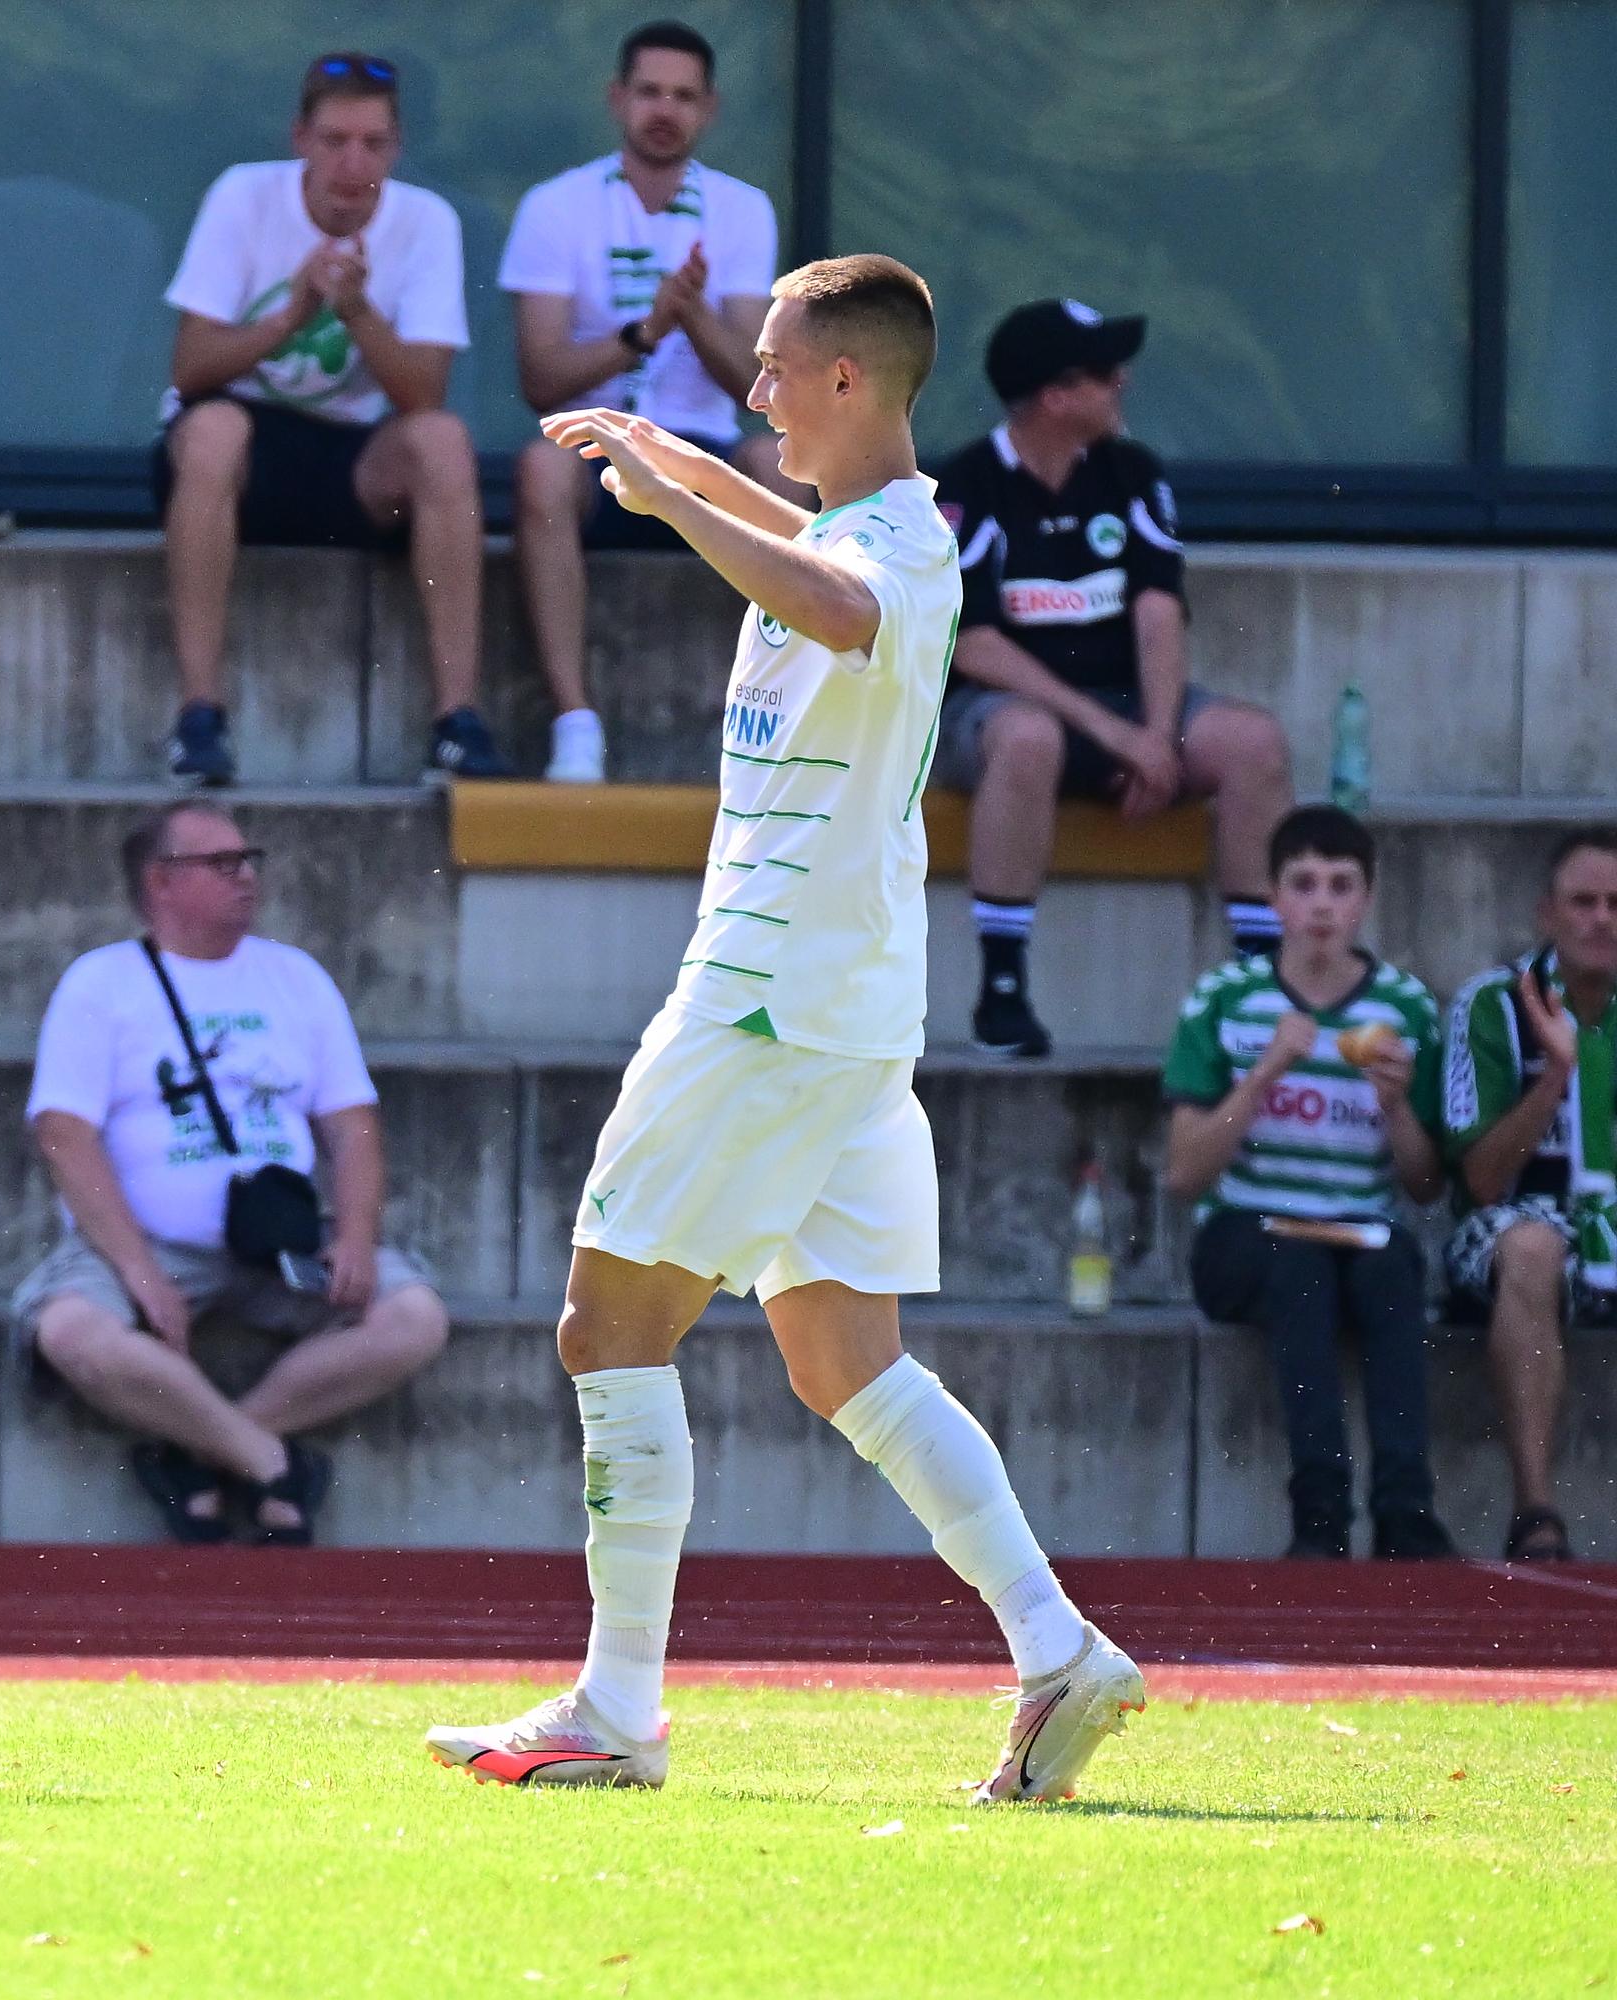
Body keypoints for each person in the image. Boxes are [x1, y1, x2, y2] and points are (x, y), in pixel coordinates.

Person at [424, 258, 1144, 1800]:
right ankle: (1057, 1645)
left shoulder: (897, 548)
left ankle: (618, 1707)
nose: (752, 392)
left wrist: (679, 500)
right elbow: (795, 552)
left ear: (847, 384)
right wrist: (662, 458)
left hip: (763, 1004)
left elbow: (830, 601)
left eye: (770, 369)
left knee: (605, 1329)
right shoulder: (844, 520)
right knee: (847, 1363)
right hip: (845, 1015)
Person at [15, 802, 451, 1545]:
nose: (247, 876)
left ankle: (202, 1455)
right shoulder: (101, 984)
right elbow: (64, 1136)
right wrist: (139, 1272)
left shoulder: (296, 979)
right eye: (222, 864)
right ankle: (271, 1462)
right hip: (144, 1243)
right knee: (69, 1329)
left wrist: (354, 1235)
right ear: (161, 882)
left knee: (415, 1318)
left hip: (277, 1241)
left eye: (250, 860)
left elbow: (353, 1126)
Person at [926, 300, 1293, 1057]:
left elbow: (1160, 614)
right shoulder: (963, 487)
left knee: (1253, 742)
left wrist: (1158, 738)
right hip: (997, 716)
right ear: (1057, 397)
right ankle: (1003, 990)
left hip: (1129, 713)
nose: (1122, 382)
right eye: (1102, 373)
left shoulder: (1131, 473)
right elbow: (973, 644)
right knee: (1028, 738)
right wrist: (1117, 735)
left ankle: (1262, 988)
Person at [154, 53, 505, 787]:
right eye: (336, 140)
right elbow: (189, 371)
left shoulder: (425, 221)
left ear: (397, 149)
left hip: (350, 458)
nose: (354, 163)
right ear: (300, 140)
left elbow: (423, 395)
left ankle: (457, 720)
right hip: (236, 450)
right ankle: (198, 716)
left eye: (374, 144)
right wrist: (293, 312)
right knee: (216, 431)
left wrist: (355, 310)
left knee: (443, 443)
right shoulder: (243, 197)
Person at [1165, 807, 1454, 1561]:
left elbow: (1425, 1185)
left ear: (1366, 899)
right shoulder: (1226, 999)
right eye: (1304, 884)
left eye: (1340, 885)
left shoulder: (1406, 1009)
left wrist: (1395, 1107)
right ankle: (1319, 1516)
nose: (1322, 904)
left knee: (1394, 1269)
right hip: (1248, 1228)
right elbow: (1184, 1171)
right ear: (1273, 897)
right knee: (1298, 1272)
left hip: (1360, 1230)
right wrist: (1263, 1073)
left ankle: (1405, 1513)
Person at [501, 19, 784, 783]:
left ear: (710, 109)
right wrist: (641, 332)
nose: (665, 110)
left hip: (702, 452)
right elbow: (540, 379)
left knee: (783, 465)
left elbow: (759, 395)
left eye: (684, 96)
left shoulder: (743, 210)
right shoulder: (554, 207)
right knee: (539, 469)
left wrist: (690, 317)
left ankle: (784, 718)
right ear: (617, 98)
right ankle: (574, 723)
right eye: (651, 92)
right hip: (592, 444)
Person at [1441, 827, 1617, 1564]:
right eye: (1584, 901)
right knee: (1533, 1244)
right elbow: (1479, 1181)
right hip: (1512, 1228)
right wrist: (1555, 1076)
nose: (1602, 918)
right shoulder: (1491, 1005)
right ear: (1548, 913)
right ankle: (1534, 1512)